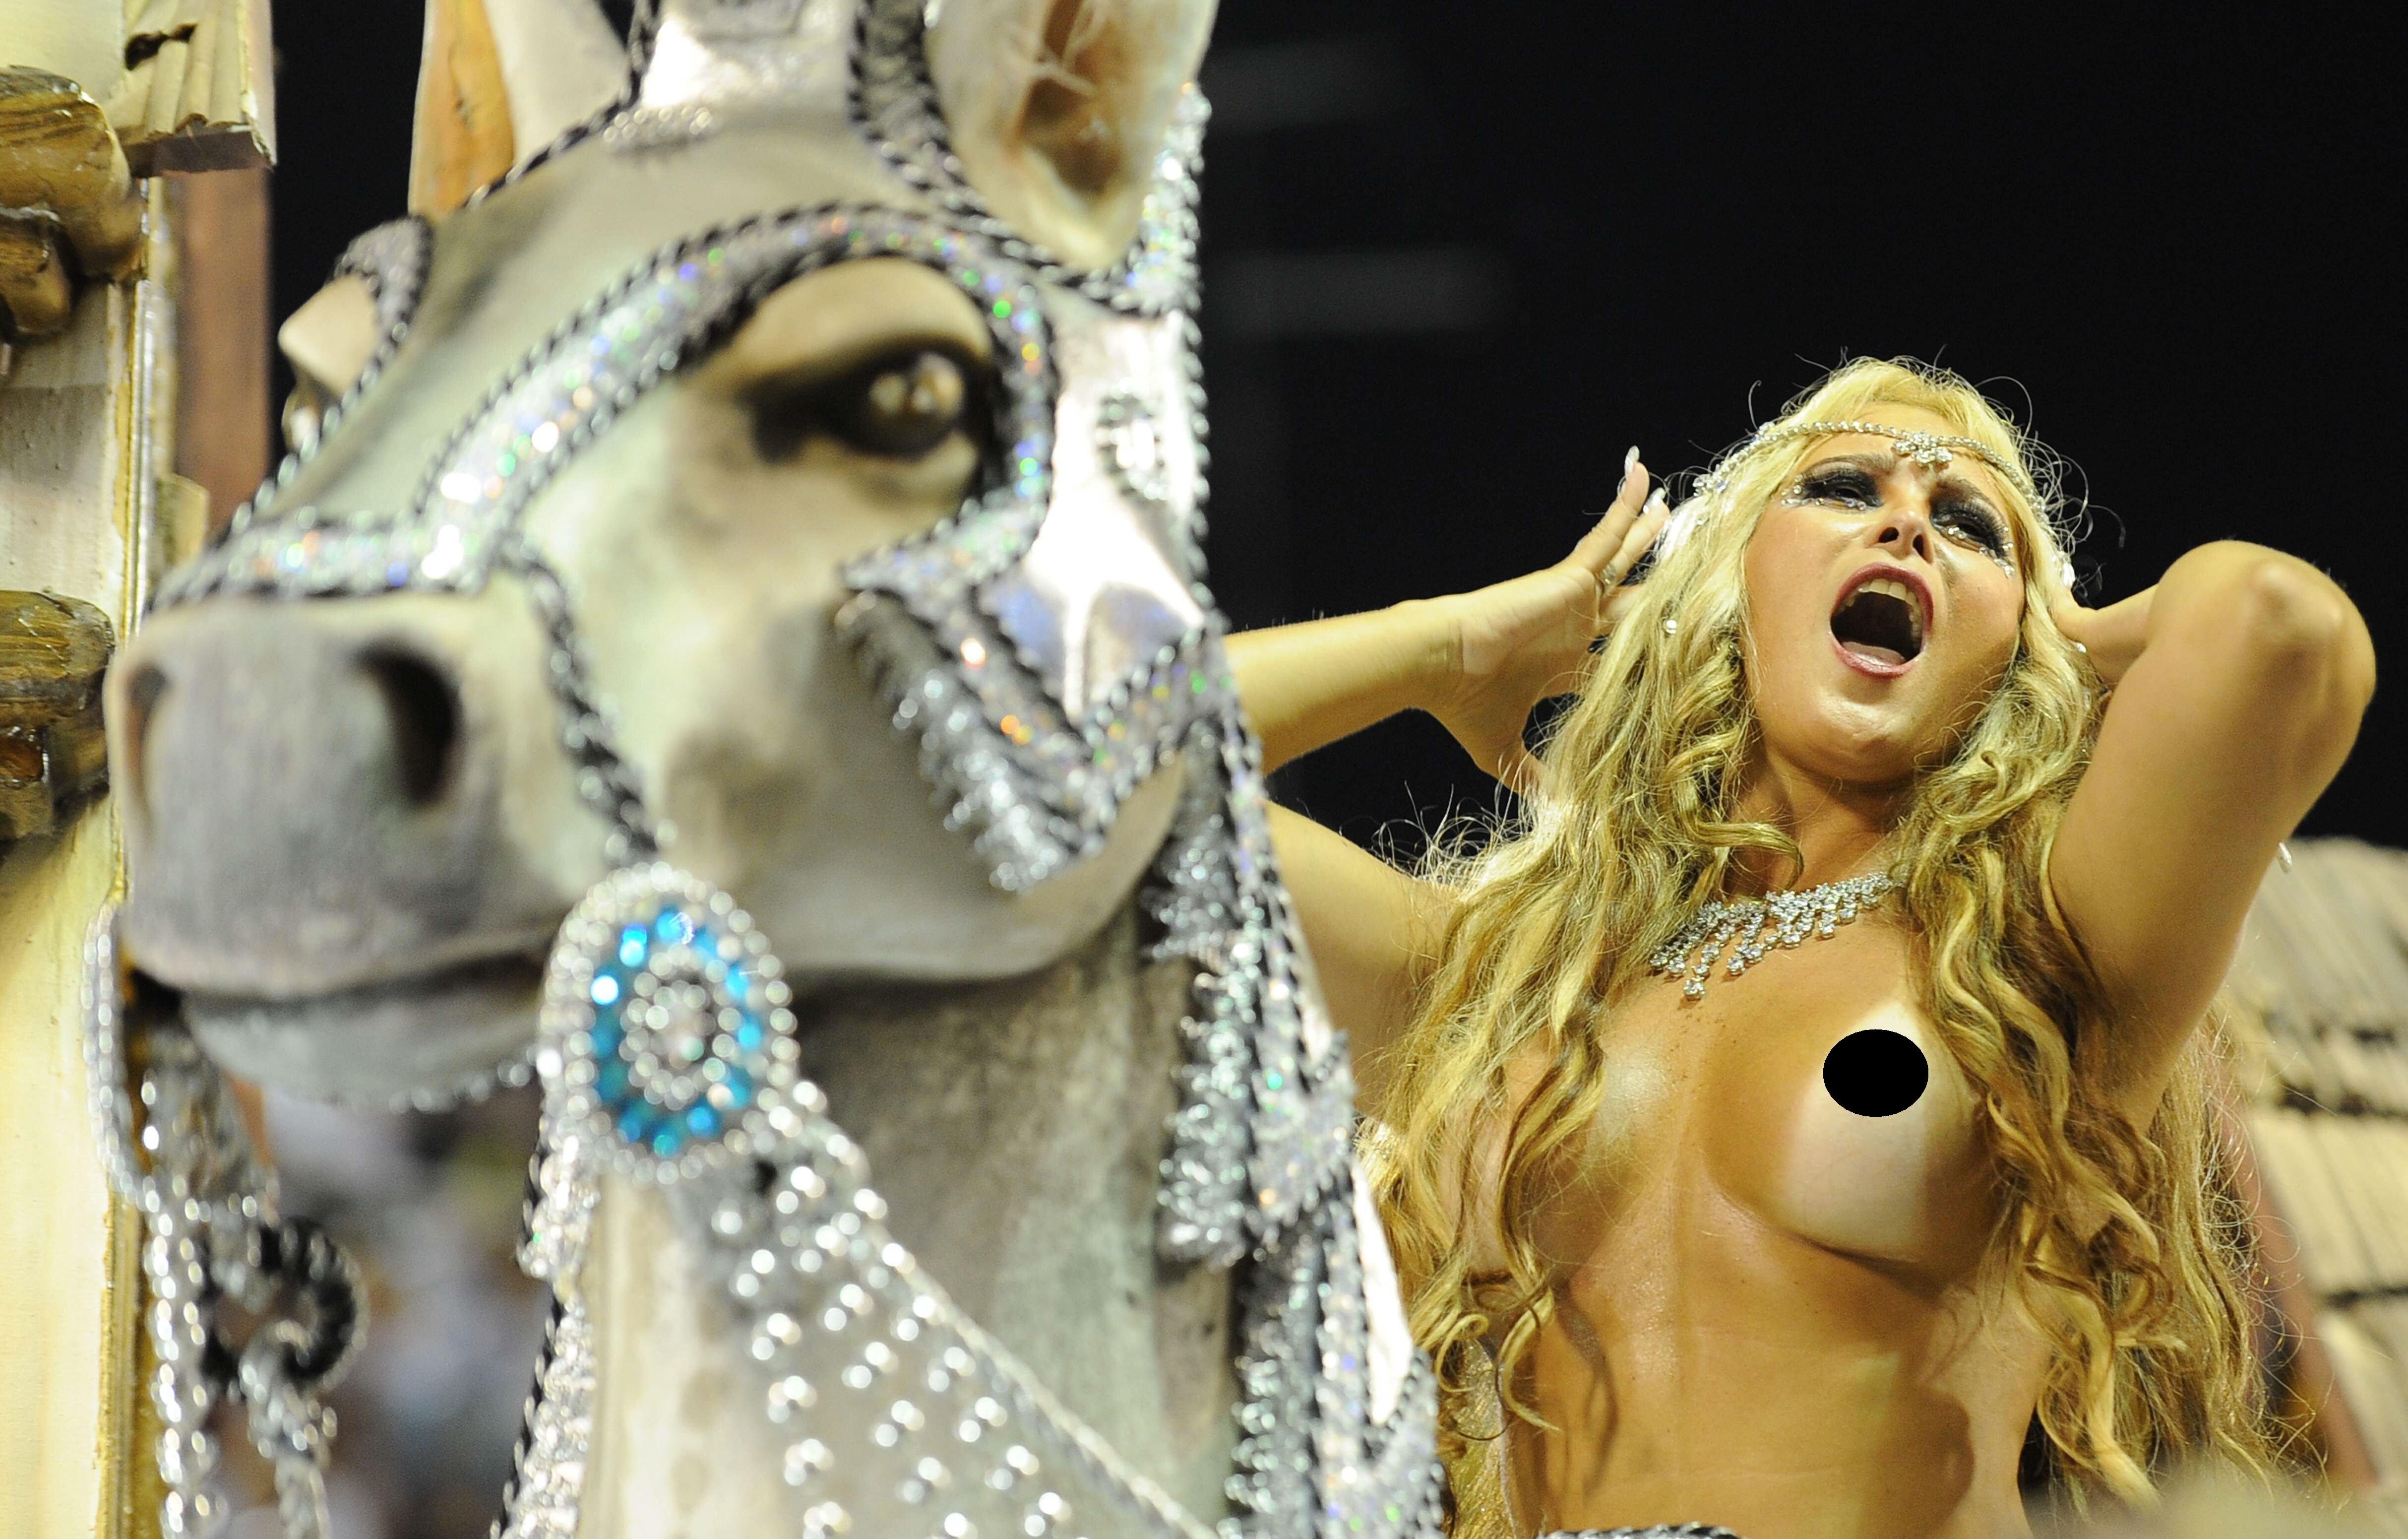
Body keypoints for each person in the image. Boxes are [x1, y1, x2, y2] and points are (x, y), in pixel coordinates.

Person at [1226, 358, 2375, 1538]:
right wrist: (1448, 646)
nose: (1904, 525)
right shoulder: (1504, 977)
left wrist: (2070, 636)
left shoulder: (2038, 951)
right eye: (1842, 488)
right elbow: (1128, 764)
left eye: (1969, 525)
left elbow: (2278, 625)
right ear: (1729, 580)